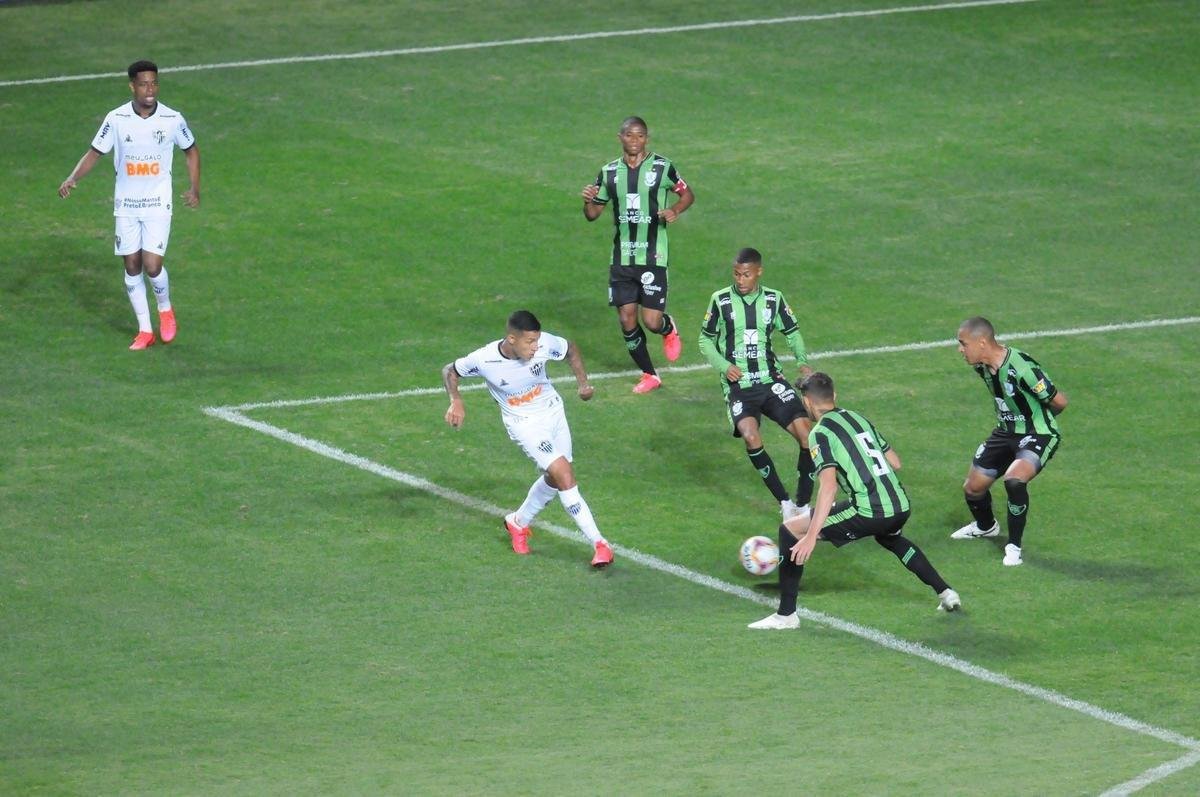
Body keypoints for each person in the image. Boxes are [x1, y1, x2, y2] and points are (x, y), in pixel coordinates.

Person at [749, 372, 961, 629]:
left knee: (790, 530)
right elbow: (895, 462)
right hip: (900, 504)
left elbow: (828, 488)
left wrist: (811, 536)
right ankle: (946, 593)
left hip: (870, 510)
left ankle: (786, 615)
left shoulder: (820, 433)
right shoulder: (857, 418)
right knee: (890, 538)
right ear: (834, 396)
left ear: (806, 402)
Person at [442, 310, 613, 568]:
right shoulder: (484, 359)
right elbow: (450, 371)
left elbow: (570, 349)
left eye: (537, 341)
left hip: (554, 412)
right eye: (530, 342)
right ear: (512, 339)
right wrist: (456, 400)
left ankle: (517, 522)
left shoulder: (543, 344)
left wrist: (583, 384)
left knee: (555, 479)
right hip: (525, 424)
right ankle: (600, 543)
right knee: (564, 474)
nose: (535, 347)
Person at [59, 60, 200, 350]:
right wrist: (73, 178)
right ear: (132, 86)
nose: (150, 89)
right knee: (132, 265)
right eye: (144, 84)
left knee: (152, 265)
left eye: (154, 83)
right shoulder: (116, 118)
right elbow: (94, 152)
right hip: (127, 205)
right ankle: (145, 331)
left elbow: (191, 151)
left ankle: (165, 309)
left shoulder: (172, 119)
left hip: (158, 203)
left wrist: (194, 188)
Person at [698, 248, 816, 520]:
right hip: (740, 387)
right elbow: (705, 340)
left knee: (807, 436)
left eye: (746, 275)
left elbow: (792, 332)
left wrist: (802, 362)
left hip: (771, 380)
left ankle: (803, 504)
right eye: (736, 274)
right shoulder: (720, 300)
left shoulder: (774, 299)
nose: (740, 280)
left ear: (758, 272)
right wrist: (725, 366)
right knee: (751, 436)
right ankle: (784, 502)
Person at [581, 116, 694, 394]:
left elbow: (687, 194)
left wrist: (675, 210)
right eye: (630, 135)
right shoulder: (609, 172)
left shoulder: (662, 167)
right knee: (626, 319)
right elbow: (592, 214)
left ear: (647, 138)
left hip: (653, 256)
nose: (635, 141)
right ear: (620, 137)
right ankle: (650, 374)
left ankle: (668, 328)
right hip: (622, 258)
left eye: (640, 136)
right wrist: (588, 201)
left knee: (651, 321)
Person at [950, 317, 1068, 566]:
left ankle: (1014, 547)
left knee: (1014, 480)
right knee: (973, 488)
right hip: (1005, 433)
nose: (960, 349)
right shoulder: (981, 366)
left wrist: (1039, 422)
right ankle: (986, 526)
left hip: (1038, 433)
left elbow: (1059, 402)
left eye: (963, 343)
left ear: (982, 342)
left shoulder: (1022, 368)